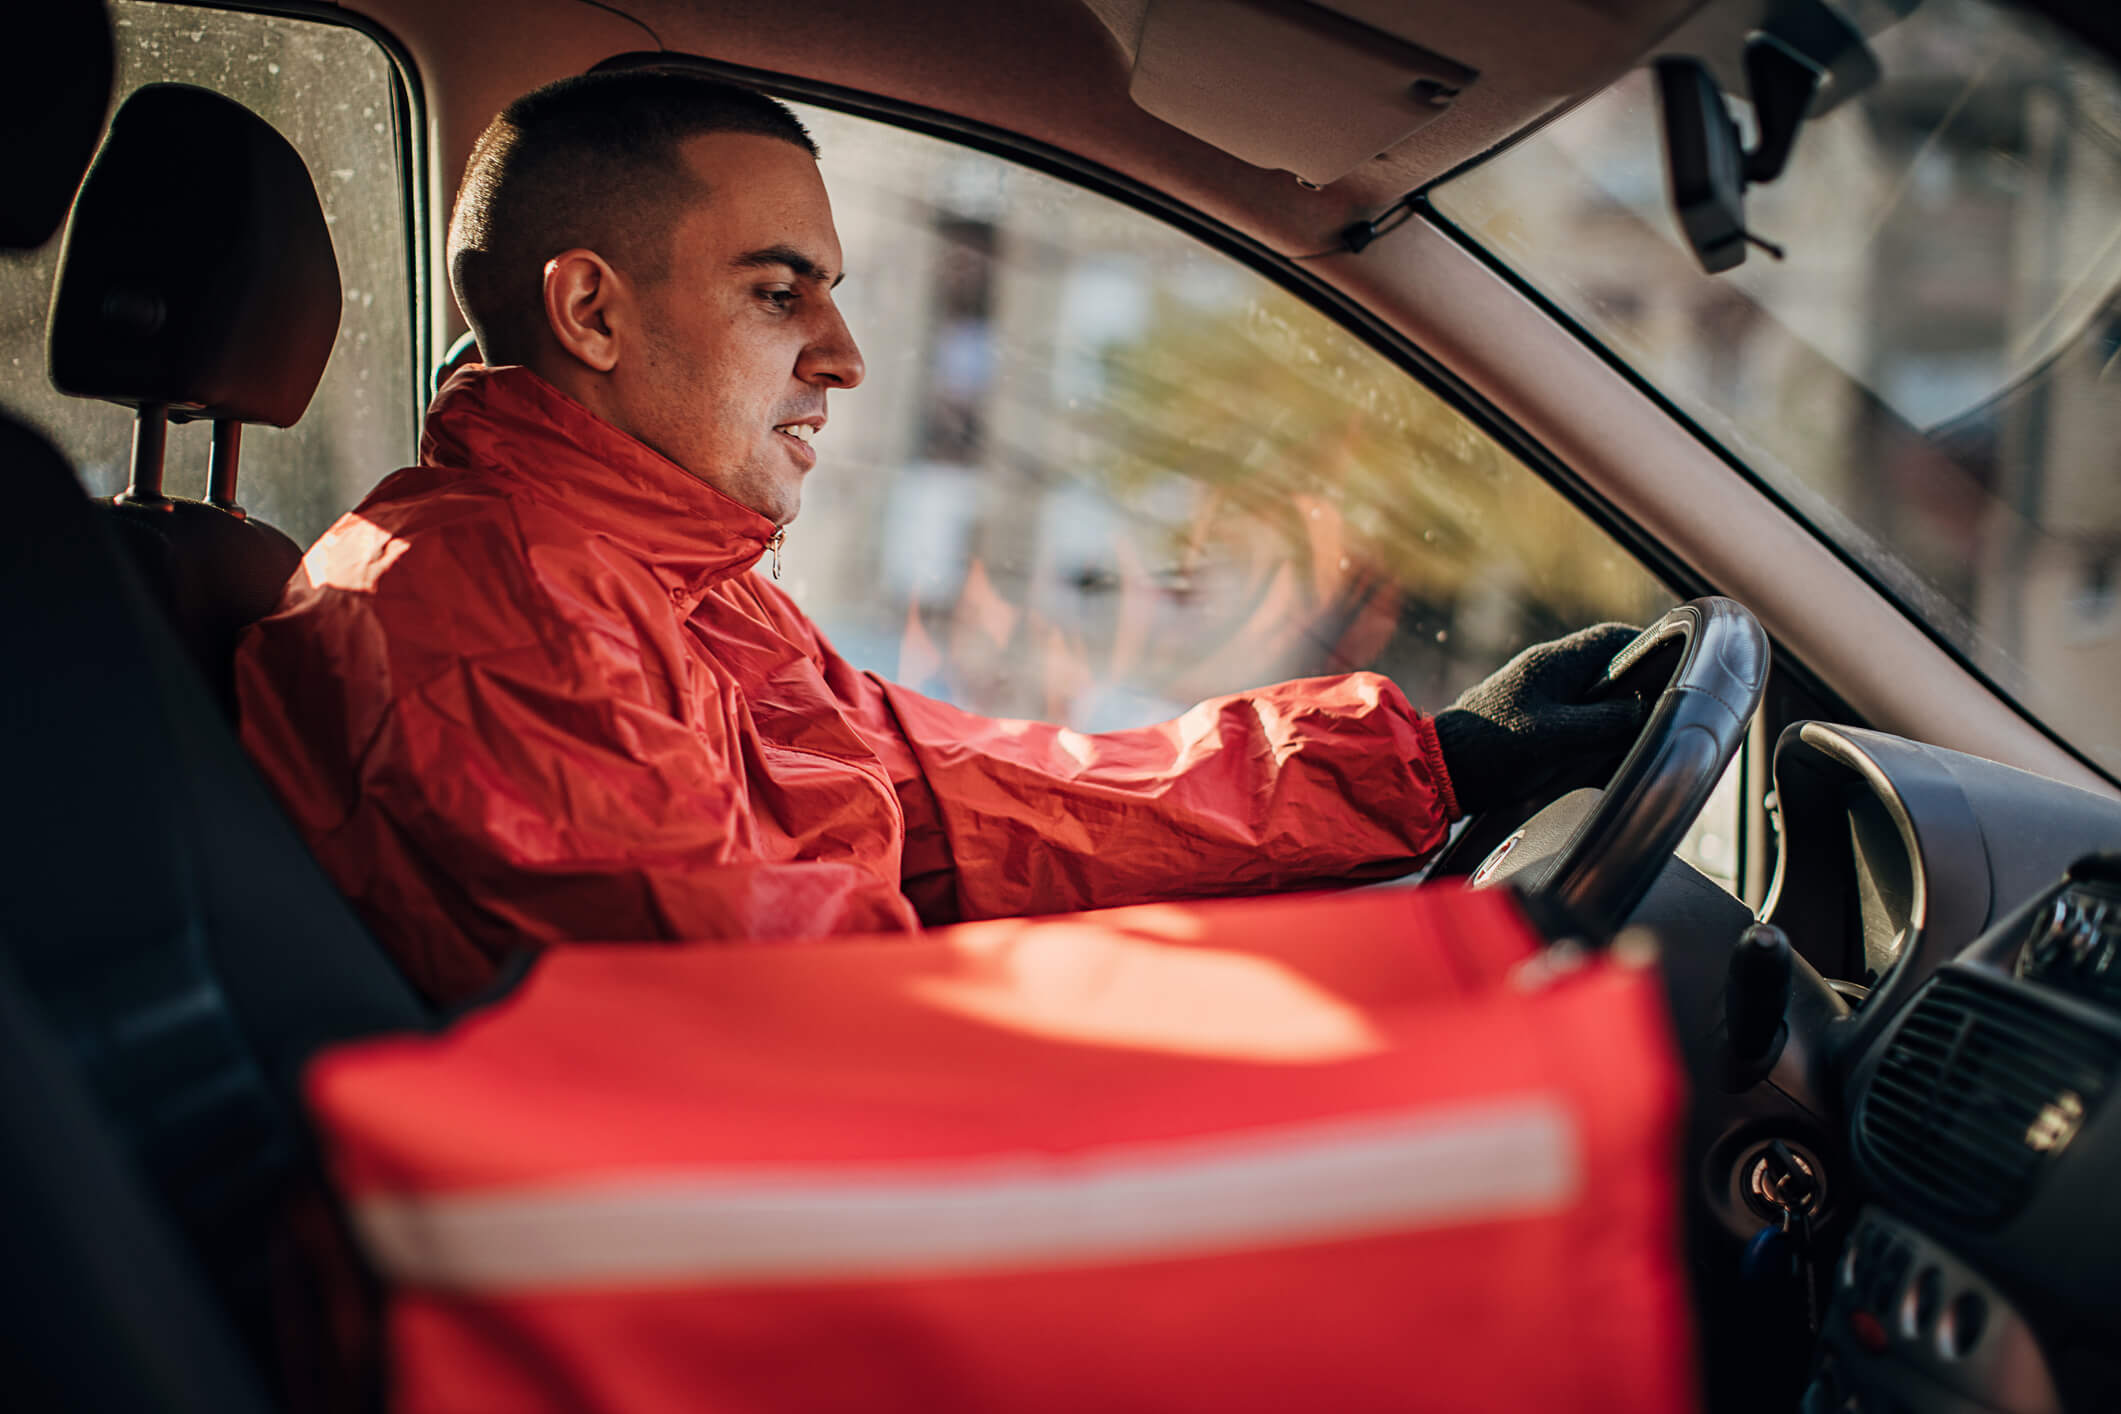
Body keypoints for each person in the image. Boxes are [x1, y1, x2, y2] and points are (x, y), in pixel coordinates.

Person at [234, 71, 1644, 1006]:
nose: (845, 357)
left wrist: (1422, 762)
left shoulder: (666, 584)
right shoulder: (489, 609)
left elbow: (977, 804)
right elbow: (782, 1035)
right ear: (591, 312)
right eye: (779, 293)